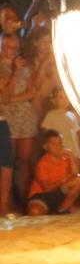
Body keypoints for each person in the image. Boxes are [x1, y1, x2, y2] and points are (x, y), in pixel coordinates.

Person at [0, 33, 38, 206]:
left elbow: (32, 91)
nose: (12, 51)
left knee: (24, 161)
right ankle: (6, 202)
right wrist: (14, 73)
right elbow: (5, 96)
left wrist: (13, 100)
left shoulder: (24, 66)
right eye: (8, 47)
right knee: (7, 161)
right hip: (6, 118)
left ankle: (24, 200)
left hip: (24, 116)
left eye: (15, 48)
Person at [27, 130, 80, 216]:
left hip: (60, 192)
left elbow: (76, 174)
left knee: (79, 181)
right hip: (42, 195)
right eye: (54, 144)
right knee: (35, 212)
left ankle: (63, 209)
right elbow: (47, 189)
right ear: (45, 147)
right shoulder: (42, 163)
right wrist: (63, 180)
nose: (58, 146)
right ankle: (51, 209)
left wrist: (71, 156)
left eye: (60, 143)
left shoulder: (66, 158)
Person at [40, 87, 80, 165]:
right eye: (61, 97)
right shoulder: (51, 115)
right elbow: (46, 134)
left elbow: (75, 136)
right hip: (57, 152)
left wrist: (78, 154)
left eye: (67, 97)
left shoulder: (72, 115)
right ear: (54, 100)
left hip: (72, 152)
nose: (65, 100)